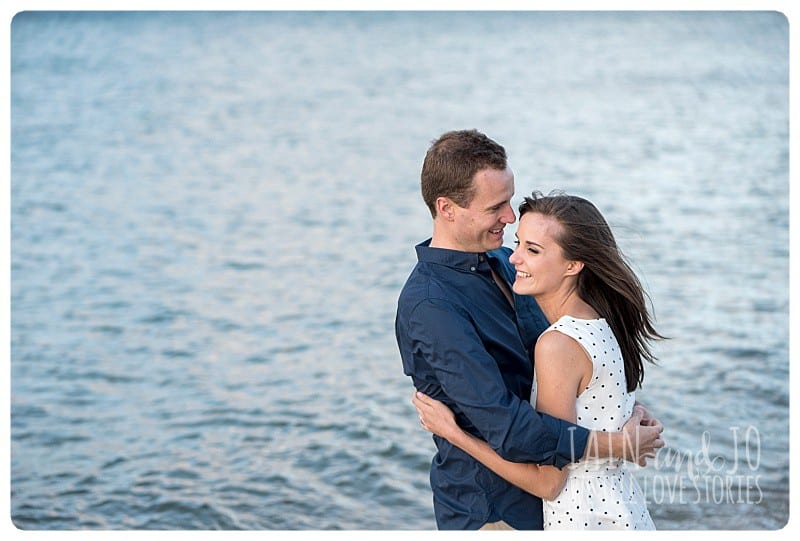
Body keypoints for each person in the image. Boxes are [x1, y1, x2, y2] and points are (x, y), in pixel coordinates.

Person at [395, 129, 664, 530]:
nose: (509, 216)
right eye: (496, 207)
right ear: (447, 208)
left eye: (509, 200)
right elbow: (508, 427)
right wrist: (616, 445)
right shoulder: (431, 306)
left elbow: (578, 356)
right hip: (494, 513)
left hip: (563, 501)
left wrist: (619, 411)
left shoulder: (512, 265)